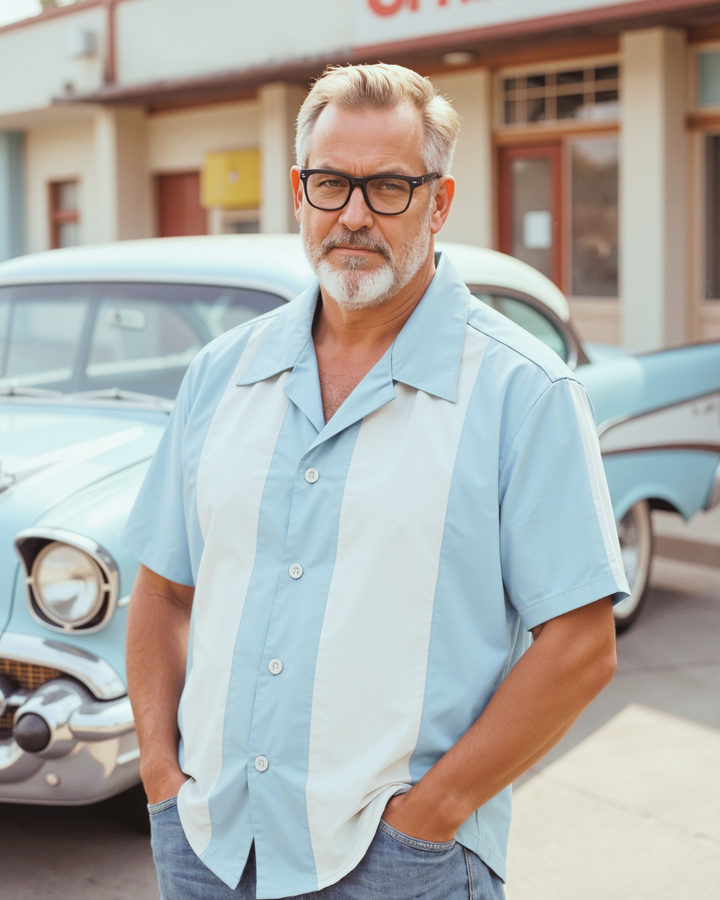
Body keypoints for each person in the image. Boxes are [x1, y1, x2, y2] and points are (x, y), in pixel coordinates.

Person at [122, 63, 628, 900]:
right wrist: (160, 777)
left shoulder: (521, 392)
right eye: (331, 183)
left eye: (389, 186)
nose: (354, 214)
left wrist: (431, 818)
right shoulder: (222, 374)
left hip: (397, 867)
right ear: (298, 192)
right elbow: (163, 590)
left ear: (440, 202)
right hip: (209, 848)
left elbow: (579, 647)